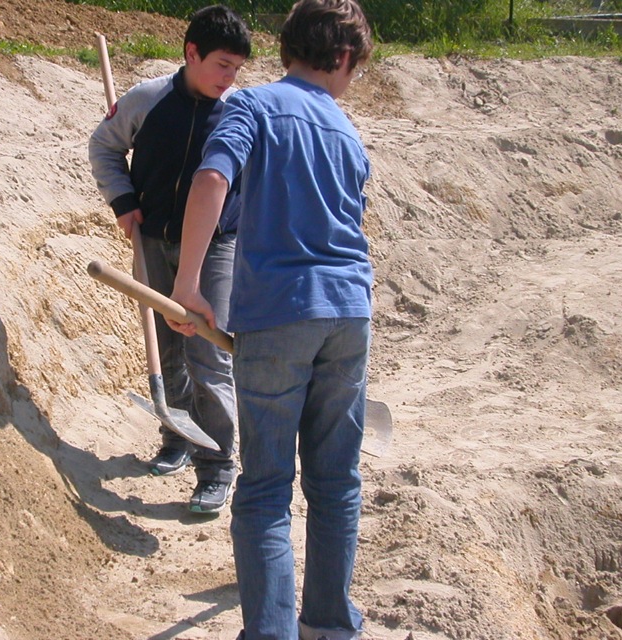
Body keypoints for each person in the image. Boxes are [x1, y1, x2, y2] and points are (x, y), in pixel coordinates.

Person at [167, 0, 374, 636]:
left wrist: (188, 283)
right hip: (349, 313)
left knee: (264, 489)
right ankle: (331, 623)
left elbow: (211, 181)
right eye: (354, 68)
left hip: (279, 316)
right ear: (340, 58)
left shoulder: (252, 107)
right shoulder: (345, 130)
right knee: (336, 480)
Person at [88, 5, 251, 513]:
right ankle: (177, 435)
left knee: (207, 349)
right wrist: (123, 202)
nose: (230, 78)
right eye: (222, 64)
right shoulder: (148, 99)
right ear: (192, 53)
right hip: (155, 239)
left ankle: (219, 464)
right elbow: (104, 146)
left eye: (237, 69)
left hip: (217, 247)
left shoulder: (240, 112)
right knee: (166, 344)